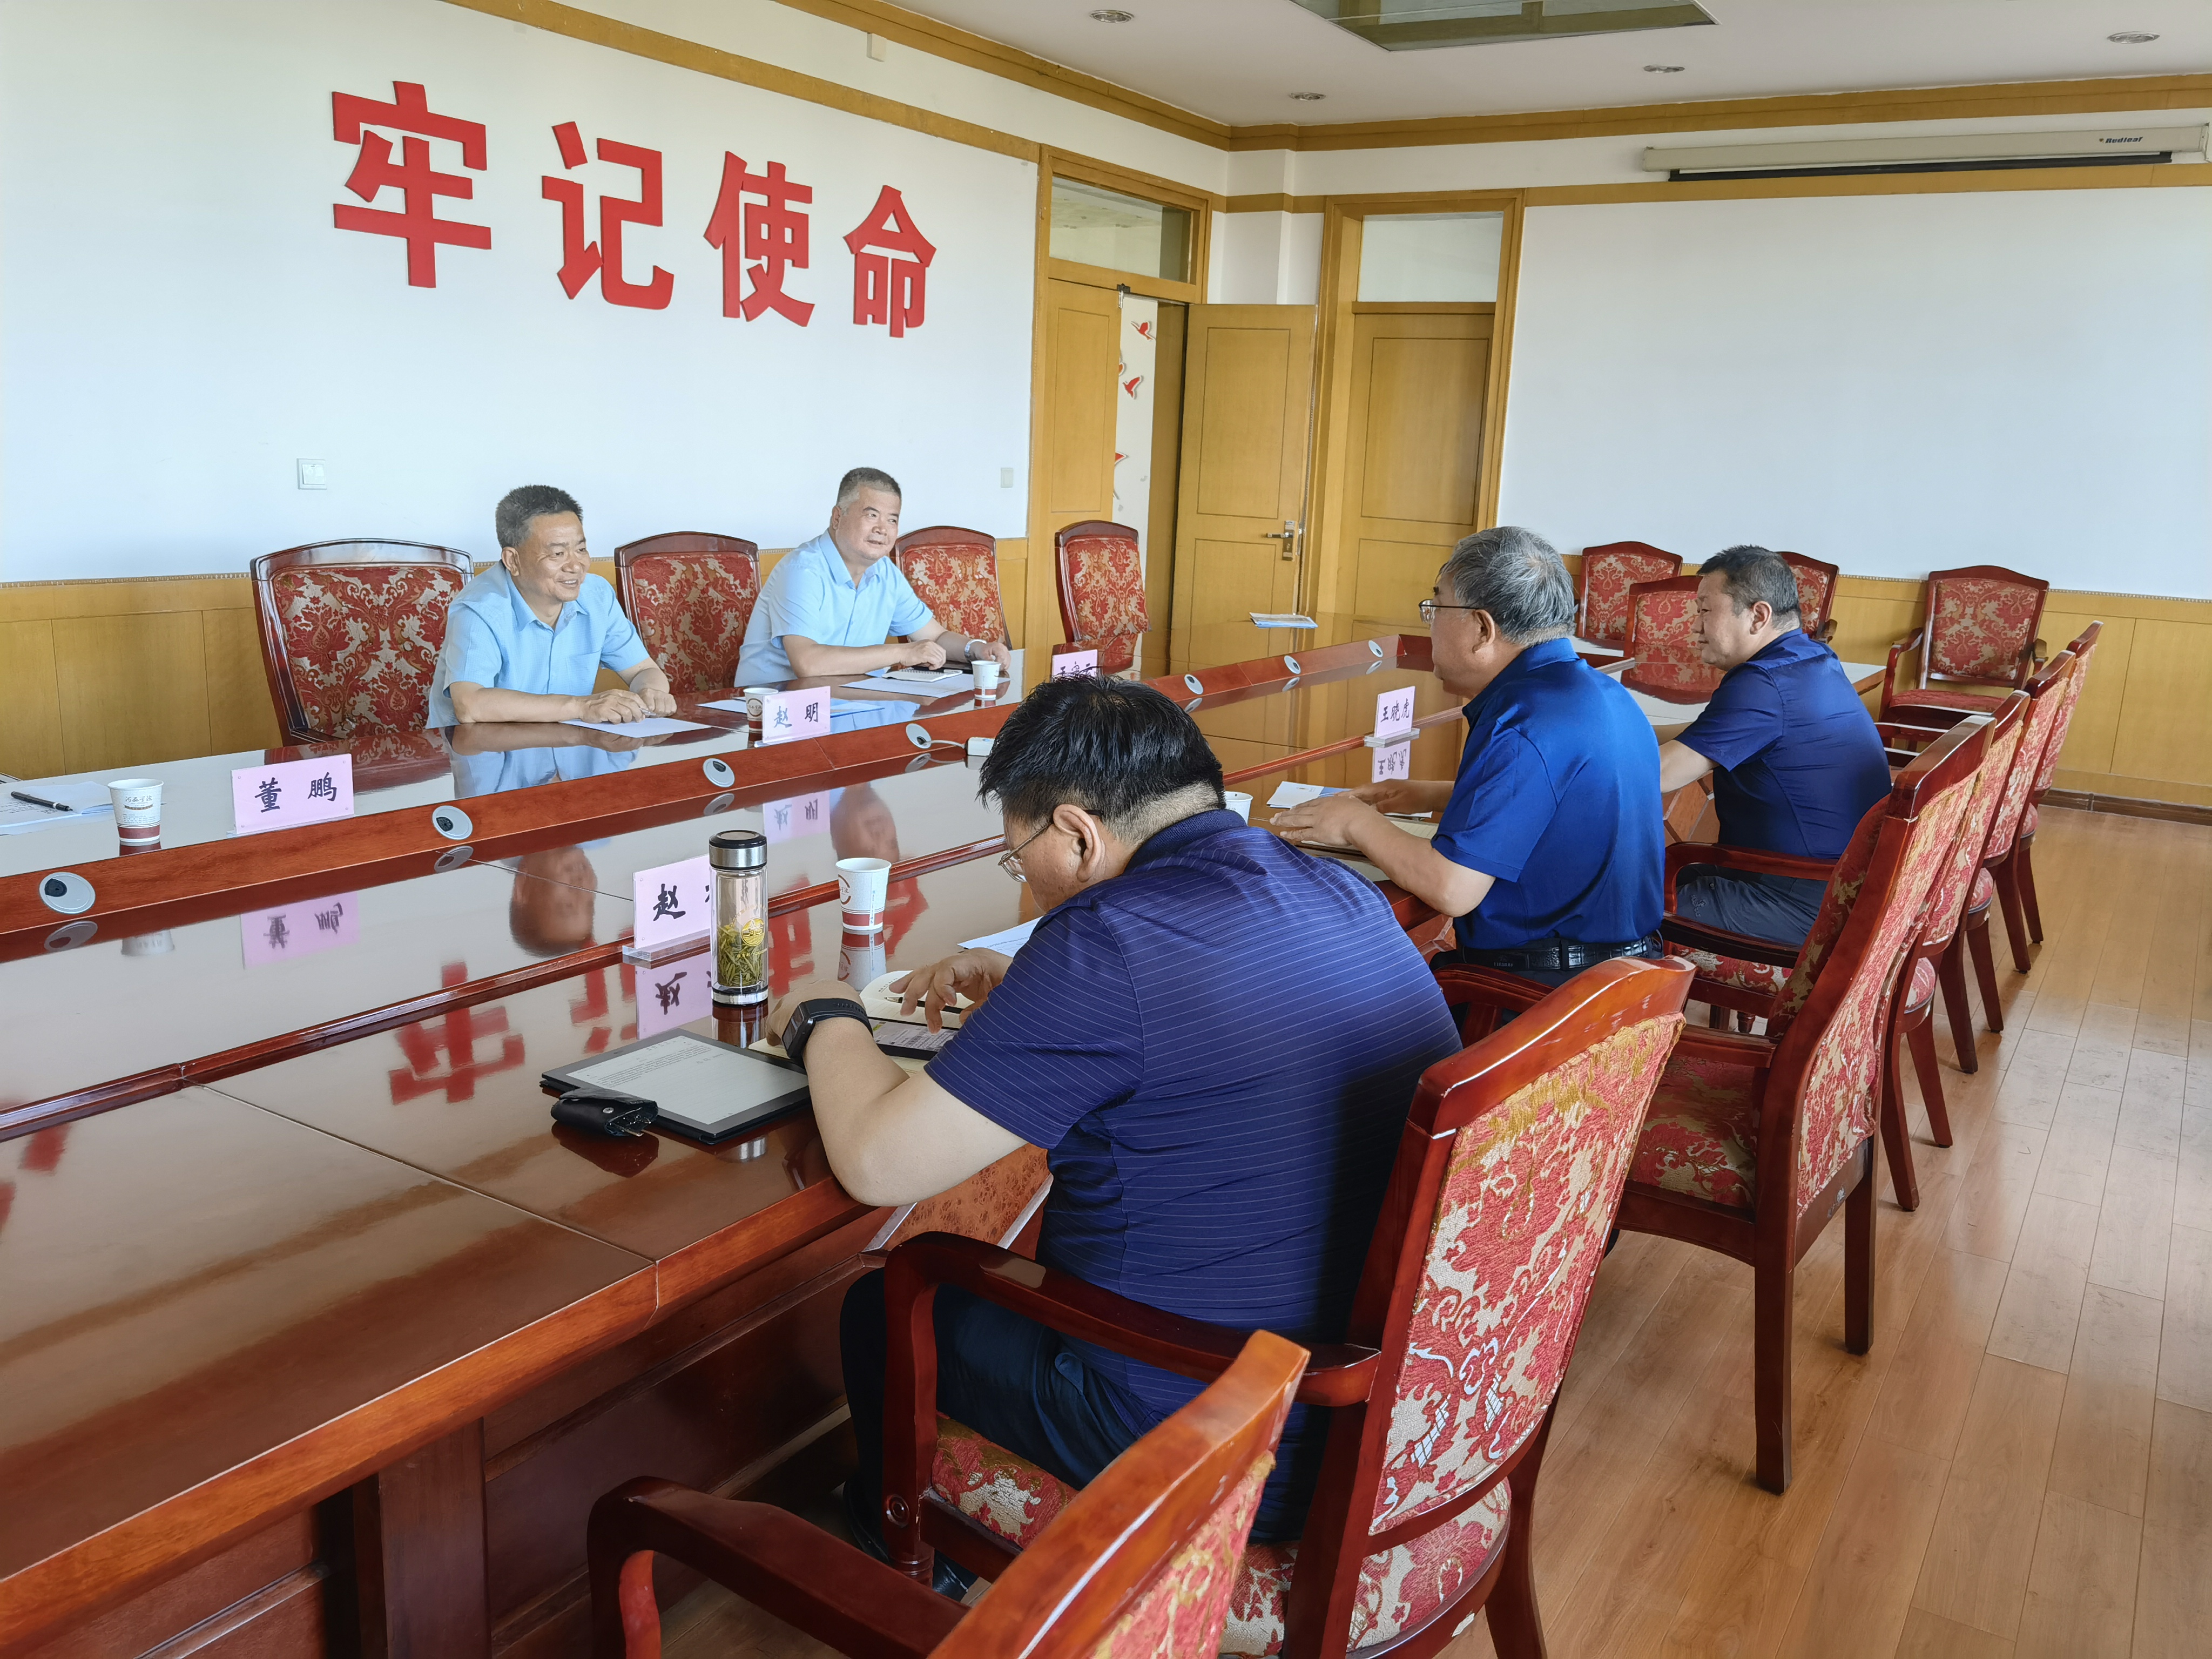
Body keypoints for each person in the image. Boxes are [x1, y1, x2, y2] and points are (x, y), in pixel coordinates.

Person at [765, 677, 1460, 1589]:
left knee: (885, 1305)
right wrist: (1034, 994)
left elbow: (876, 1161)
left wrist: (827, 1014)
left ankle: (909, 1573)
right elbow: (1204, 1020)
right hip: (1381, 1410)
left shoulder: (1108, 944)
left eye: (1020, 859)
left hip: (1225, 1441)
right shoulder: (1335, 888)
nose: (1028, 884)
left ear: (1078, 835)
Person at [1272, 526, 1663, 988]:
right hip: (1626, 981)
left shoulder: (1523, 722)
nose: (1429, 623)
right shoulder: (1602, 694)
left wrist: (1354, 821)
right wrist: (1435, 794)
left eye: (1436, 607)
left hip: (1537, 995)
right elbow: (1561, 800)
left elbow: (1452, 888)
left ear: (1482, 628)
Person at [1656, 545, 1893, 945]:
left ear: (1758, 616)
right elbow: (1704, 734)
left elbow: (1660, 774)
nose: (1694, 627)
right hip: (1843, 886)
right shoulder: (1811, 658)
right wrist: (1623, 731)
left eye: (1705, 611)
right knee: (1641, 874)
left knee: (1613, 899)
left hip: (1798, 902)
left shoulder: (1763, 683)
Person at [732, 467, 1015, 684]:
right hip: (774, 712)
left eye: (892, 520)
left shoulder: (885, 573)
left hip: (850, 702)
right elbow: (808, 663)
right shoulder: (802, 571)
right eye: (872, 516)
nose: (883, 529)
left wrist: (977, 649)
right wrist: (903, 653)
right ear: (837, 518)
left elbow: (935, 636)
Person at [427, 485, 677, 727]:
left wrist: (652, 693)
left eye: (581, 549)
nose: (576, 566)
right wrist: (581, 707)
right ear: (513, 560)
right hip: (484, 749)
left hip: (569, 746)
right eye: (558, 554)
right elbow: (470, 705)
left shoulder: (597, 596)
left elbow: (643, 670)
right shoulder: (479, 609)